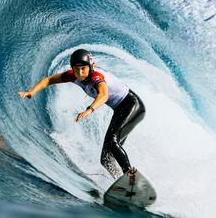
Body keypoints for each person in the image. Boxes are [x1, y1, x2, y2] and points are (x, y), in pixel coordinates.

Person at [18, 49, 146, 178]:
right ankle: (122, 181)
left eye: (83, 68)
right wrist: (31, 91)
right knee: (106, 158)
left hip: (132, 105)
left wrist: (89, 109)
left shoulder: (97, 77)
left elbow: (103, 95)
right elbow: (48, 80)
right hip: (119, 109)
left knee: (112, 142)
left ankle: (131, 178)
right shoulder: (73, 75)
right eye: (76, 69)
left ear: (90, 67)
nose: (80, 73)